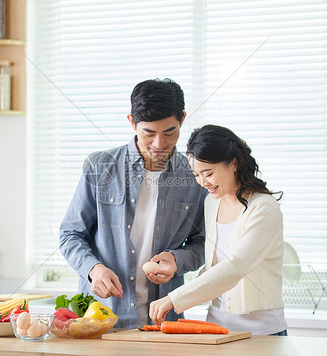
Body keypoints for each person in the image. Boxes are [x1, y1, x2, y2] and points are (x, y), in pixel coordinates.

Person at [59, 78, 207, 328]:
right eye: (149, 133)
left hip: (165, 322)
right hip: (102, 318)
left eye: (169, 132)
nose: (159, 144)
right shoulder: (100, 167)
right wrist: (93, 269)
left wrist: (177, 260)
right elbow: (70, 234)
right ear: (131, 122)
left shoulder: (194, 175)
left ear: (182, 119)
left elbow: (203, 244)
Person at [149, 124, 287, 336]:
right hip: (217, 330)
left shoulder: (263, 208)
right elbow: (215, 268)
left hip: (262, 332)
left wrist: (174, 298)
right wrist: (174, 269)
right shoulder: (212, 203)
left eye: (208, 173)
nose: (202, 182)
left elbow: (236, 266)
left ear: (234, 164)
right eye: (196, 175)